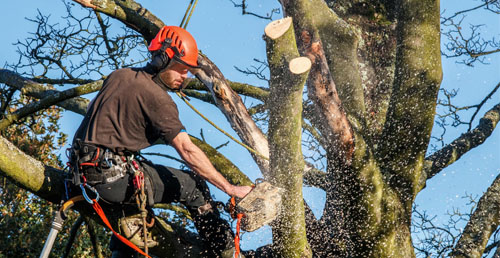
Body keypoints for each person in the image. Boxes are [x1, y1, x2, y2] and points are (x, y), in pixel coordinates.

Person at [70, 26, 252, 258]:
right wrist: (231, 189)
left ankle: (121, 253)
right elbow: (187, 149)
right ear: (163, 60)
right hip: (111, 180)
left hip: (81, 177)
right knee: (193, 186)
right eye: (181, 70)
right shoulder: (157, 98)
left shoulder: (119, 76)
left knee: (133, 214)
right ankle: (227, 252)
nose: (184, 77)